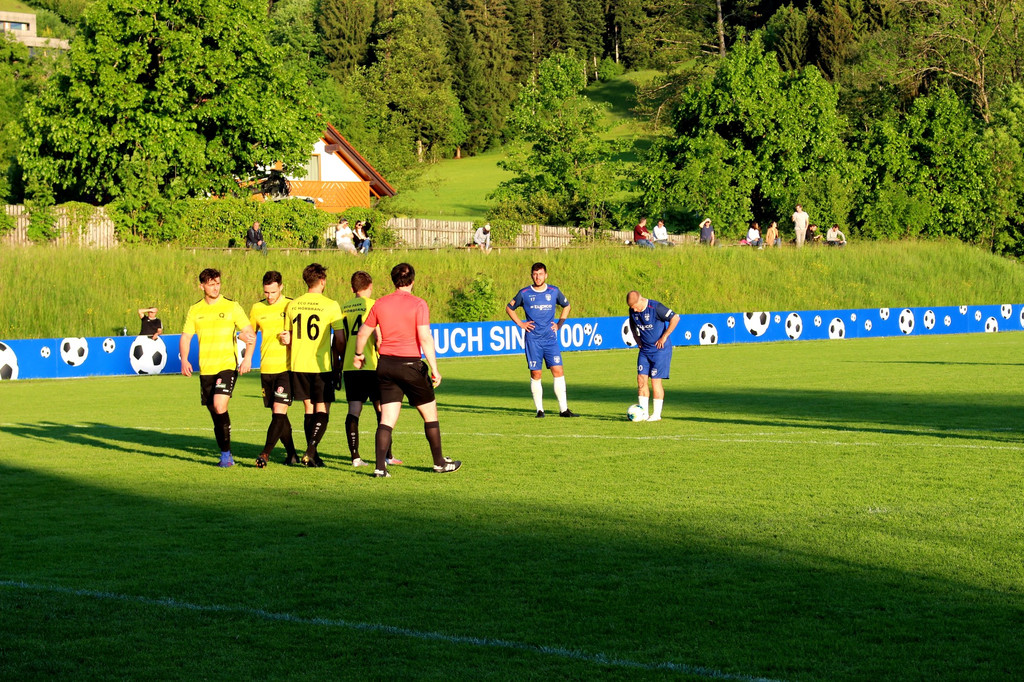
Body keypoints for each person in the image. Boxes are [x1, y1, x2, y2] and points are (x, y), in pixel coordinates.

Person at [353, 262, 462, 478]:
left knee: (387, 418)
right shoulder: (418, 304)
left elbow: (363, 334)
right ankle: (439, 462)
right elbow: (425, 338)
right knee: (430, 414)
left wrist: (359, 355)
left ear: (393, 280)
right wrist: (435, 368)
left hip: (385, 366)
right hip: (410, 365)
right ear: (412, 280)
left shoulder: (380, 303)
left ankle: (380, 467)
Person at [180, 268, 256, 467]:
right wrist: (184, 359)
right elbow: (186, 336)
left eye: (218, 283)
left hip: (227, 366)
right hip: (206, 369)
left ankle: (225, 455)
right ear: (202, 286)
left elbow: (249, 333)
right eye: (211, 284)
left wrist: (247, 358)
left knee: (220, 405)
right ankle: (226, 452)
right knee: (215, 411)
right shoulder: (195, 310)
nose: (215, 287)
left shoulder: (232, 306)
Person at [279, 263, 345, 468]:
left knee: (308, 408)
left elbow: (286, 336)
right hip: (321, 365)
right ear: (322, 281)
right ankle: (310, 450)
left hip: (298, 364)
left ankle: (313, 456)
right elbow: (340, 339)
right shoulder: (331, 305)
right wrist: (337, 362)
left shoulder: (293, 305)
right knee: (323, 409)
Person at [337, 270, 402, 468]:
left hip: (351, 365)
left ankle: (355, 457)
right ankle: (387, 456)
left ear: (352, 288)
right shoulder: (374, 305)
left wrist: (343, 359)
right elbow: (378, 337)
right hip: (372, 365)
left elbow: (340, 340)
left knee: (354, 410)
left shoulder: (344, 308)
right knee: (382, 410)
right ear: (371, 286)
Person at [505, 262, 580, 419]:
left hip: (550, 339)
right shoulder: (525, 293)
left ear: (546, 275)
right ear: (532, 275)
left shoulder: (554, 291)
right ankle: (540, 410)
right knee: (536, 373)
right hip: (533, 340)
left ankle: (564, 410)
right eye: (535, 274)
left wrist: (559, 324)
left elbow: (567, 306)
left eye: (540, 274)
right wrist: (521, 324)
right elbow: (509, 308)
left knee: (558, 371)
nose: (537, 277)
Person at [242, 271, 300, 468]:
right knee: (279, 416)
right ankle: (292, 454)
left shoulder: (292, 305)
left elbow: (302, 336)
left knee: (279, 412)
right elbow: (249, 335)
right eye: (266, 292)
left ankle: (265, 454)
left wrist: (291, 338)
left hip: (286, 367)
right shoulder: (257, 308)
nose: (270, 296)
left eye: (273, 292)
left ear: (281, 287)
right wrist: (247, 358)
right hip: (266, 368)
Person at [626, 290, 679, 422]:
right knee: (641, 380)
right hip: (644, 350)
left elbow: (675, 318)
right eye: (632, 309)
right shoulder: (633, 311)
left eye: (636, 308)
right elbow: (632, 325)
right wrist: (637, 339)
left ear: (640, 300)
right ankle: (643, 413)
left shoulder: (655, 307)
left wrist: (664, 337)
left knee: (655, 382)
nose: (635, 311)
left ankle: (656, 414)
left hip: (660, 350)